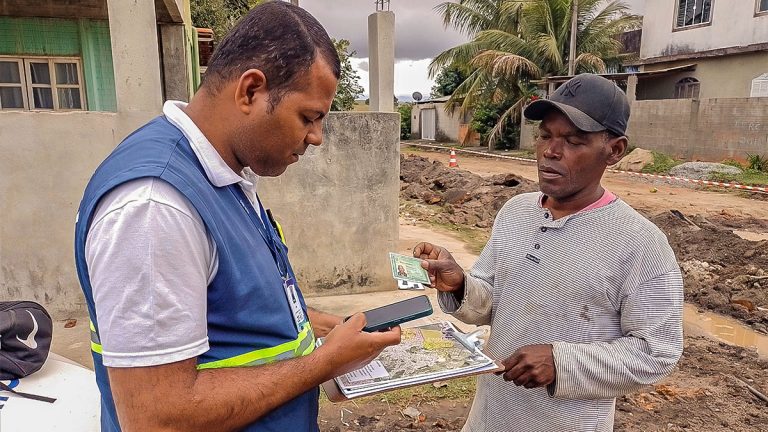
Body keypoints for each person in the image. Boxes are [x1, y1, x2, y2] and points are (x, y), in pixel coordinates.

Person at [73, 3, 400, 431]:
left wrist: (327, 327)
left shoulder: (224, 176)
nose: (316, 138)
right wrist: (322, 363)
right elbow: (157, 419)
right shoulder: (154, 206)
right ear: (250, 91)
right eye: (309, 116)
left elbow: (237, 314)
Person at [414, 74, 683, 432]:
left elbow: (657, 354)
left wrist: (562, 361)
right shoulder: (517, 212)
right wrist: (461, 284)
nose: (550, 152)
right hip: (490, 417)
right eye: (545, 136)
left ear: (614, 150)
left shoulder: (640, 244)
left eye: (572, 141)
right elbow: (496, 301)